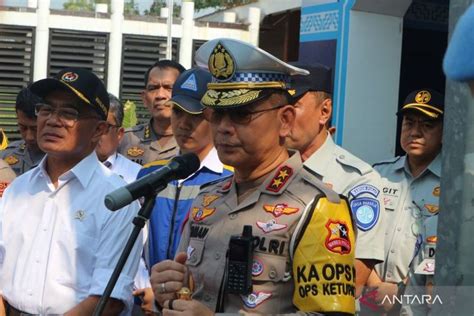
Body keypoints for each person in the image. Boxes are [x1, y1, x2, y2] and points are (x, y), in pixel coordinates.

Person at [150, 38, 357, 315]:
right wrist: (169, 293)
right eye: (217, 114)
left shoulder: (318, 207)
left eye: (241, 115)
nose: (223, 128)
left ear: (284, 120)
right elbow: (193, 295)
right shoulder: (206, 200)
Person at [0, 68, 143, 315]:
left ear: (98, 130)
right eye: (46, 109)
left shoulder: (117, 200)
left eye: (68, 113)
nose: (52, 120)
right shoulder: (18, 190)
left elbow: (108, 298)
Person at [133, 67, 233, 314]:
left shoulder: (230, 176)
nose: (184, 124)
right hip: (150, 302)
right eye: (178, 112)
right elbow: (136, 242)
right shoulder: (151, 174)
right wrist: (148, 287)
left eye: (196, 115)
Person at [286, 63, 386, 300]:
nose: (284, 117)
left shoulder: (357, 180)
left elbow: (351, 282)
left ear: (324, 112)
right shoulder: (271, 171)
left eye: (294, 107)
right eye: (280, 108)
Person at [369, 89, 443, 313]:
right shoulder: (378, 174)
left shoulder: (457, 184)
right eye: (409, 123)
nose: (415, 132)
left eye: (427, 125)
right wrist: (375, 286)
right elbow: (357, 235)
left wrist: (401, 293)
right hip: (370, 299)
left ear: (444, 132)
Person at [118, 60, 185, 165]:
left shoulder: (192, 140)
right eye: (153, 88)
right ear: (144, 98)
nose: (160, 95)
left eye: (169, 88)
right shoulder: (125, 139)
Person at [96, 93, 141, 183]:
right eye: (92, 125)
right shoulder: (67, 168)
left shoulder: (136, 175)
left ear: (119, 134)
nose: (96, 133)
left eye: (104, 127)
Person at [0, 87, 45, 175]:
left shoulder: (64, 159)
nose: (29, 137)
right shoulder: (6, 155)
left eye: (35, 129)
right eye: (23, 127)